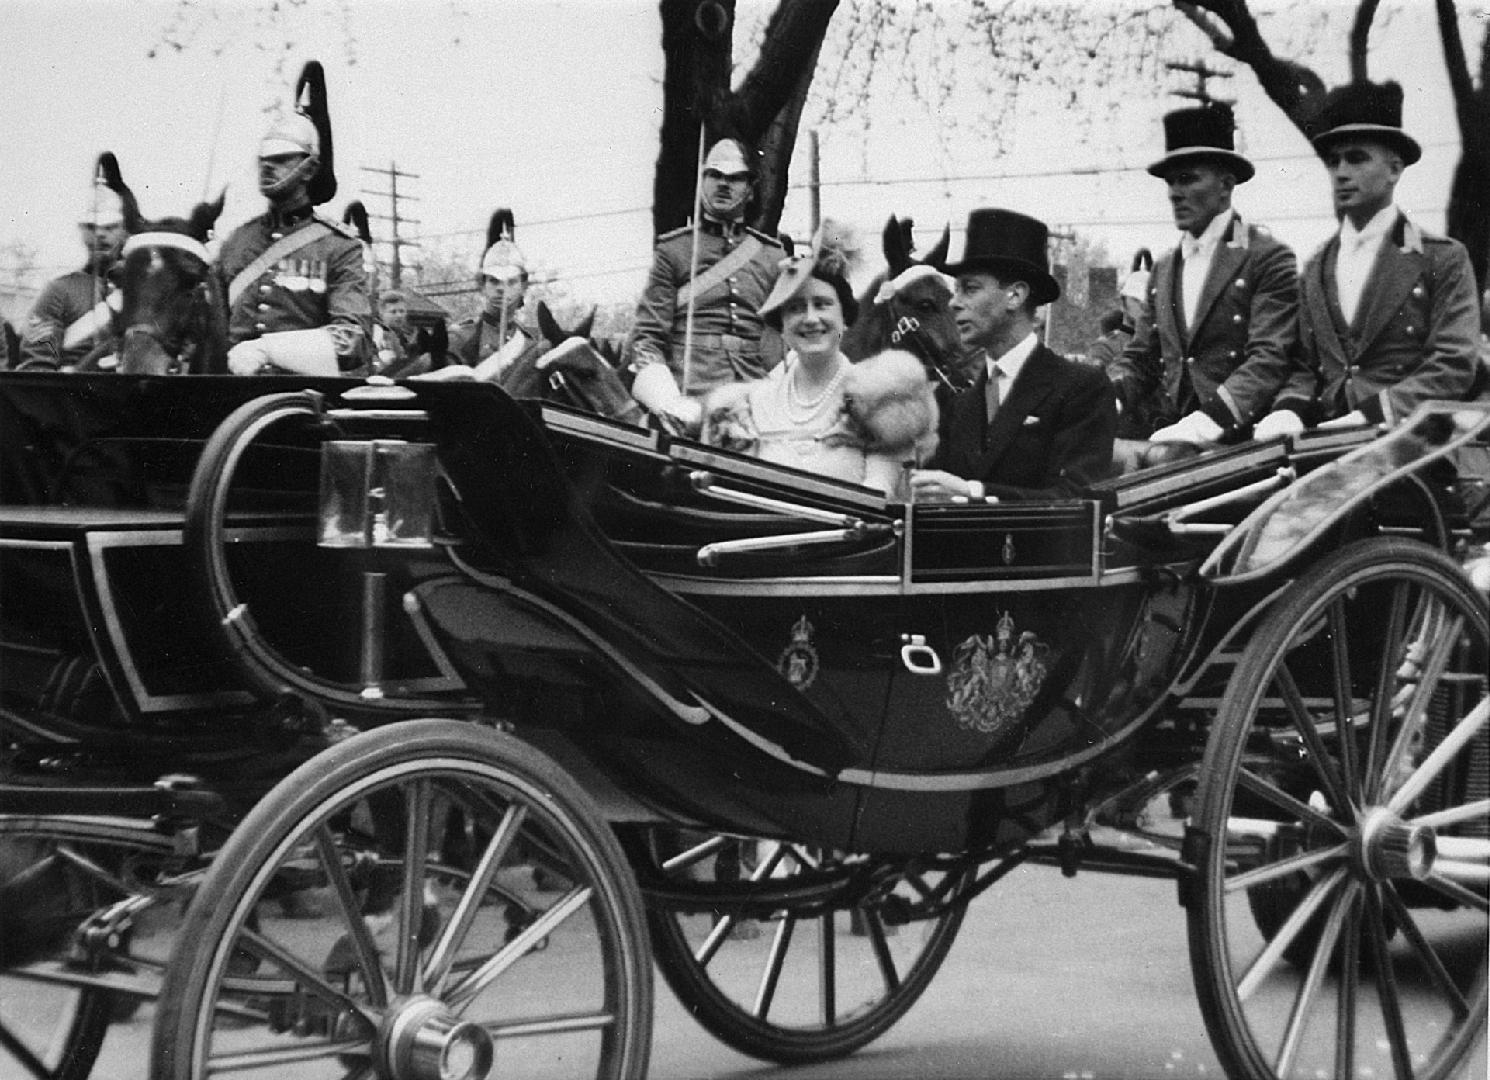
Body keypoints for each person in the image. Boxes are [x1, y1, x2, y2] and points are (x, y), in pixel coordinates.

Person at [1255, 81, 1481, 436]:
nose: (1341, 172)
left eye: (1357, 158)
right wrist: (1289, 410)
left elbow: (1453, 364)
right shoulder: (1316, 268)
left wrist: (1374, 413)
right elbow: (1304, 366)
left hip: (1413, 449)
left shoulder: (1442, 259)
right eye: (1333, 162)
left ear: (1394, 170)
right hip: (1325, 445)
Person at [701, 221, 936, 499]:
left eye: (822, 304)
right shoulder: (748, 406)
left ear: (844, 318)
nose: (811, 319)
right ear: (783, 327)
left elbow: (880, 495)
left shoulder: (882, 399)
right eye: (796, 309)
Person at [1109, 103, 1299, 445]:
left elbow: (1270, 357)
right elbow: (1141, 357)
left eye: (1188, 179)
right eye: (1170, 182)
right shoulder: (1164, 270)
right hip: (1172, 440)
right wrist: (1108, 396)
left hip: (1245, 444)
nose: (1174, 193)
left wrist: (1209, 420)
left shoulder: (1267, 257)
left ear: (1225, 185)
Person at [910, 208, 1116, 502]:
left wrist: (973, 493)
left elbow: (1076, 500)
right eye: (955, 290)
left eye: (969, 289)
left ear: (1015, 296)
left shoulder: (1082, 389)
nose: (954, 303)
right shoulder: (952, 400)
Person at [217, 61, 371, 376]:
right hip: (227, 392)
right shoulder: (236, 242)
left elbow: (352, 340)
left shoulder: (339, 248)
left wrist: (269, 350)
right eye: (264, 160)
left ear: (310, 169)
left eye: (281, 159)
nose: (268, 167)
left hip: (303, 400)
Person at [627, 137, 785, 430]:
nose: (723, 185)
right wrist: (670, 404)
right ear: (702, 182)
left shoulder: (772, 256)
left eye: (735, 178)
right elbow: (646, 338)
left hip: (756, 396)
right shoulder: (673, 250)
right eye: (714, 175)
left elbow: (786, 339)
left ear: (750, 190)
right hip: (689, 394)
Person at [16, 176, 126, 369]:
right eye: (91, 227)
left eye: (110, 227)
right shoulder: (58, 290)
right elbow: (37, 366)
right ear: (81, 231)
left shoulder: (140, 291)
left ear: (123, 230)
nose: (100, 234)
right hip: (74, 395)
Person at [441, 209, 550, 379]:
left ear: (523, 286)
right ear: (482, 285)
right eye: (493, 281)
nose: (501, 288)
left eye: (511, 282)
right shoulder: (460, 337)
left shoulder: (530, 345)